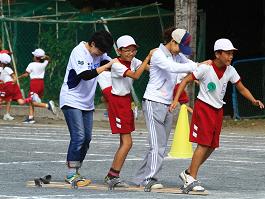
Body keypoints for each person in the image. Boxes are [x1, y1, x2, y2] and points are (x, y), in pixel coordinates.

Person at [170, 38, 264, 192]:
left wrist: (253, 100)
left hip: (218, 110)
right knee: (204, 143)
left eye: (232, 53)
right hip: (204, 108)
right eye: (227, 53)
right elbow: (185, 81)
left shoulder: (231, 70)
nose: (230, 56)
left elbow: (241, 88)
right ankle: (190, 179)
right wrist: (175, 100)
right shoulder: (206, 68)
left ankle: (188, 173)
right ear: (217, 54)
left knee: (212, 145)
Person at [132, 27, 210, 189]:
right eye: (180, 47)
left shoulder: (177, 55)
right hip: (153, 102)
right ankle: (150, 178)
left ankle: (140, 178)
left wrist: (202, 65)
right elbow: (172, 68)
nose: (181, 52)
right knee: (157, 145)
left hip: (167, 105)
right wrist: (196, 67)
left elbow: (189, 64)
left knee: (160, 145)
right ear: (172, 42)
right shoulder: (158, 54)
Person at [59, 30, 115, 187]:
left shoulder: (99, 53)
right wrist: (108, 65)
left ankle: (76, 171)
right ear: (92, 44)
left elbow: (110, 63)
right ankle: (71, 174)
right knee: (79, 137)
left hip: (87, 103)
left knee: (87, 139)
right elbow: (85, 75)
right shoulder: (79, 52)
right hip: (71, 99)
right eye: (100, 51)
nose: (101, 54)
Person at [103, 35, 155, 188]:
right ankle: (112, 175)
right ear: (119, 51)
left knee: (124, 142)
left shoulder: (133, 60)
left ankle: (112, 175)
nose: (131, 53)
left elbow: (149, 68)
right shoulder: (117, 64)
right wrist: (147, 57)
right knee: (127, 142)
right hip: (117, 102)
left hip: (126, 101)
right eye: (127, 50)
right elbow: (136, 75)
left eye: (133, 50)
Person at [18, 48, 56, 124]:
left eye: (34, 55)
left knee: (32, 101)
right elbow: (48, 59)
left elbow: (26, 74)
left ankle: (47, 105)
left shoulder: (31, 64)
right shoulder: (44, 64)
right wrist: (44, 56)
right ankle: (31, 117)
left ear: (35, 57)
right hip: (41, 83)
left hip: (34, 83)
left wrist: (17, 78)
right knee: (32, 101)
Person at [0, 49, 14, 120]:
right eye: (8, 55)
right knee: (3, 100)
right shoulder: (1, 67)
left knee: (8, 99)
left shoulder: (6, 67)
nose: (9, 56)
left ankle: (7, 114)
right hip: (1, 85)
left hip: (4, 85)